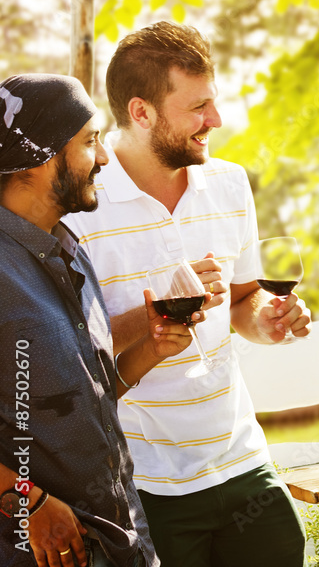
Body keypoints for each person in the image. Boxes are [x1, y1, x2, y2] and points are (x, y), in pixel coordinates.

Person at [63, 23, 311, 567]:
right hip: (143, 483)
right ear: (142, 111)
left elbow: (243, 300)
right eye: (198, 107)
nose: (215, 121)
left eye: (213, 103)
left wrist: (269, 320)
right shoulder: (81, 203)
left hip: (241, 458)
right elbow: (68, 346)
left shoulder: (228, 183)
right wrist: (161, 308)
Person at [0, 74, 196, 567]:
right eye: (89, 141)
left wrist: (152, 348)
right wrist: (31, 502)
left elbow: (88, 395)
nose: (104, 158)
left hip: (120, 541)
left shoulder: (69, 250)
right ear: (39, 155)